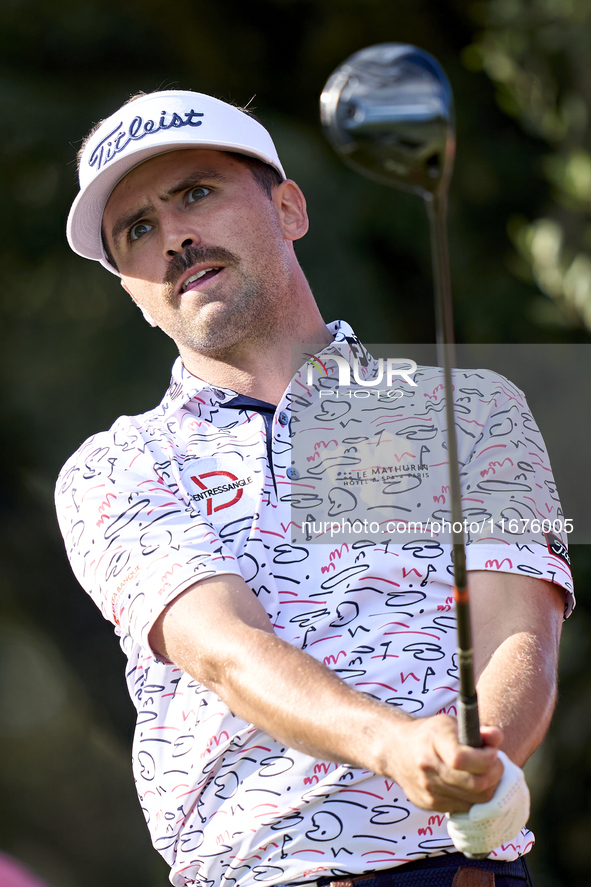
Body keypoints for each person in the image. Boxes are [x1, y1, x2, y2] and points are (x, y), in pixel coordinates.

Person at [55, 90, 573, 887]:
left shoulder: (469, 409)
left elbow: (519, 630)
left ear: (289, 208)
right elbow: (225, 649)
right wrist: (393, 745)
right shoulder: (117, 464)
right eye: (138, 229)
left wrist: (484, 749)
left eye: (195, 191)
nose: (175, 238)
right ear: (129, 285)